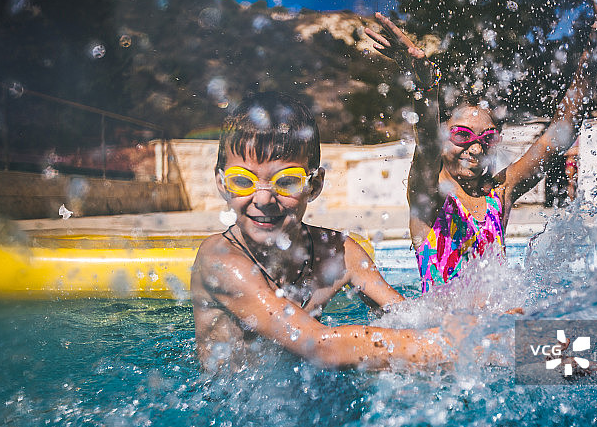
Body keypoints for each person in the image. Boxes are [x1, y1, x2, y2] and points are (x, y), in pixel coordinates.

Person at [365, 0, 597, 293]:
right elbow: (426, 145)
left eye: (486, 138)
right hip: (448, 335)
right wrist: (426, 87)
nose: (474, 147)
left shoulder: (499, 193)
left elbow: (558, 137)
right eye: (462, 135)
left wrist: (591, 62)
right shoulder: (429, 195)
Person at [191, 92, 453, 371]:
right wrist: (443, 347)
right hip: (228, 406)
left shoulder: (337, 251)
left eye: (287, 181)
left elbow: (407, 316)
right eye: (242, 181)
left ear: (313, 186)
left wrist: (479, 326)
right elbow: (320, 346)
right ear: (221, 183)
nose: (263, 199)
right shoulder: (219, 260)